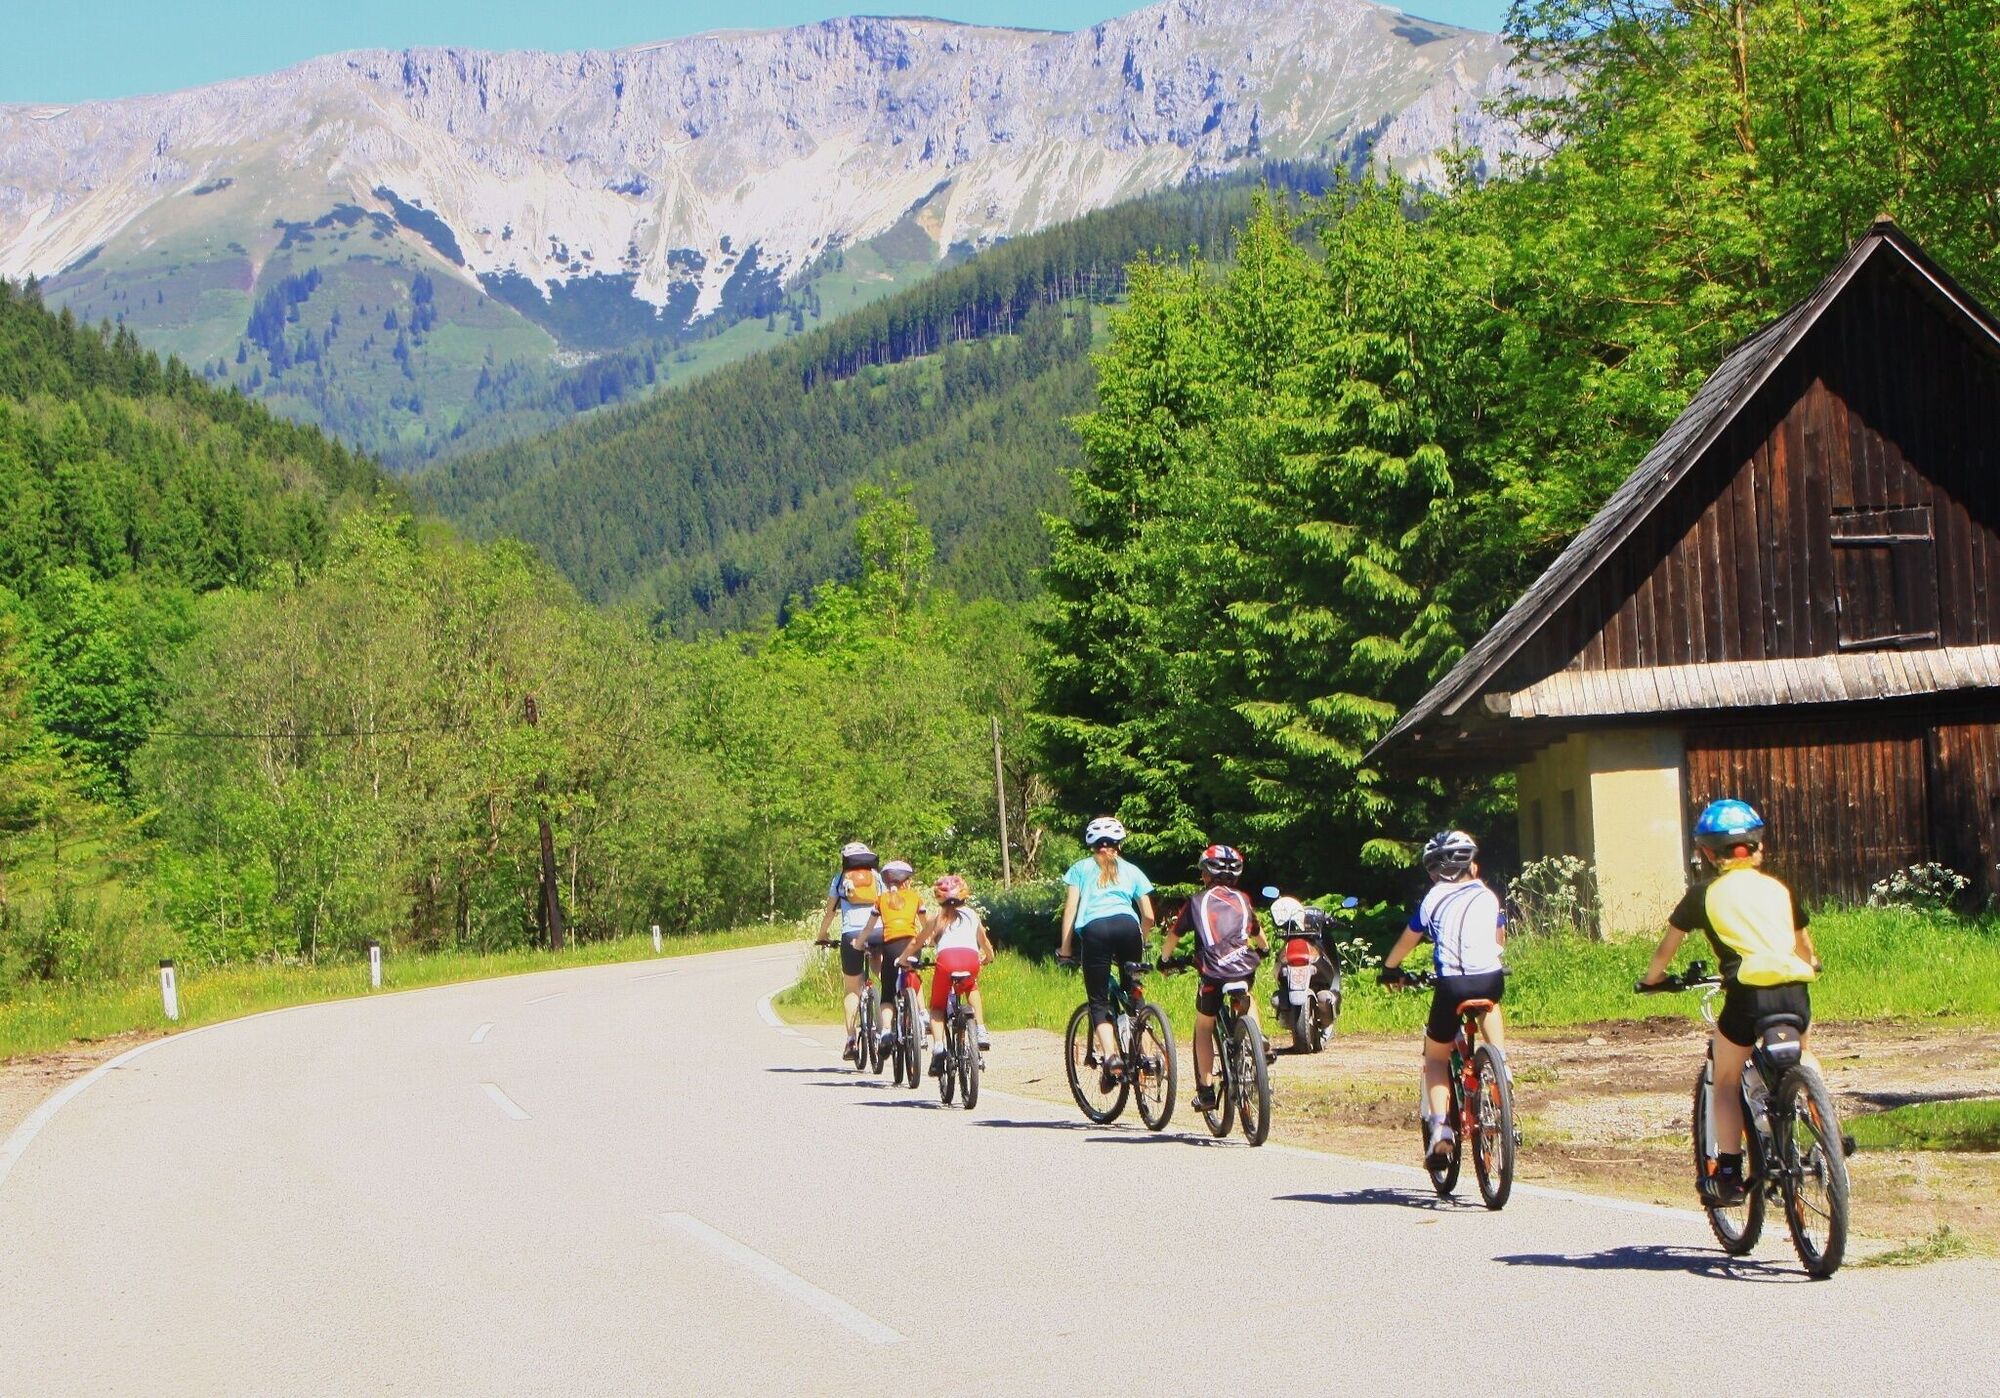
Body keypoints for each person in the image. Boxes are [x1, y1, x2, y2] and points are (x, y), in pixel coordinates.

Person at [1638, 798, 1822, 1204]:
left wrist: (1653, 981)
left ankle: (1728, 1173)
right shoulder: (1779, 889)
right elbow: (1805, 948)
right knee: (1804, 1055)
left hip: (1748, 995)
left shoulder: (1702, 894)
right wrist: (1812, 964)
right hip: (1795, 989)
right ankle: (1825, 1127)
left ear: (1707, 853)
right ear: (1760, 846)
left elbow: (1665, 951)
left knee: (1724, 1080)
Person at [1381, 830, 1508, 1161]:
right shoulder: (1488, 895)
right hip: (1490, 978)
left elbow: (1409, 939)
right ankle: (1500, 1066)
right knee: (1490, 1004)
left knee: (1436, 1057)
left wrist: (1390, 969)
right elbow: (1499, 939)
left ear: (1433, 872)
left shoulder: (1433, 898)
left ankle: (1441, 1129)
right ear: (1472, 866)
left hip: (1451, 985)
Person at [1159, 844, 1268, 1113]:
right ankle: (1258, 1041)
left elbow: (1174, 935)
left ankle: (1206, 1091)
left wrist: (1164, 960)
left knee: (1204, 1027)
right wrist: (1264, 950)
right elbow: (1257, 932)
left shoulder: (1196, 901)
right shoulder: (1243, 899)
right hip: (1243, 966)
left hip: (1213, 971)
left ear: (1206, 874)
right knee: (1247, 995)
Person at [1056, 816, 1156, 1085]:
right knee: (1134, 995)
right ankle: (1149, 1058)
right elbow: (1148, 915)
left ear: (1092, 846)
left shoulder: (1080, 868)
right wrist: (1142, 939)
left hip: (1096, 930)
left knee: (1098, 1000)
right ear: (1118, 845)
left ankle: (1112, 1058)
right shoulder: (1132, 870)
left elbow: (1071, 909)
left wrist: (1065, 949)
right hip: (1129, 928)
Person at [898, 873, 995, 1075]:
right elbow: (984, 942)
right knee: (971, 987)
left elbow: (917, 942)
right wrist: (989, 957)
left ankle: (939, 1048)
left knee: (937, 1007)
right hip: (970, 960)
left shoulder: (937, 919)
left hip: (946, 962)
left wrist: (903, 958)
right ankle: (980, 1030)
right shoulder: (972, 915)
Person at [814, 841, 883, 1062]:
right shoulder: (877, 877)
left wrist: (822, 935)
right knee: (884, 972)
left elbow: (830, 912)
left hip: (851, 934)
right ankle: (898, 1009)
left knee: (852, 989)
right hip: (878, 931)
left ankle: (851, 1040)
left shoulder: (840, 878)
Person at [861, 859, 926, 1060]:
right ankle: (922, 1015)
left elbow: (869, 927)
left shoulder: (880, 900)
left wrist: (859, 942)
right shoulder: (916, 898)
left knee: (888, 993)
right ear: (907, 881)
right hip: (912, 945)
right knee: (913, 975)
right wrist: (931, 940)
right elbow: (926, 925)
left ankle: (887, 1031)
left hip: (890, 948)